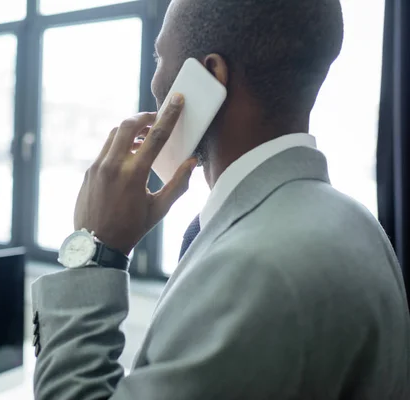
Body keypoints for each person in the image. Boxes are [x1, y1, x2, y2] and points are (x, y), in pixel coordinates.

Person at [31, 0, 410, 398]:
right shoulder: (356, 222)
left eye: (160, 57)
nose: (155, 83)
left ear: (211, 75)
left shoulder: (256, 269)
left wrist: (95, 254)